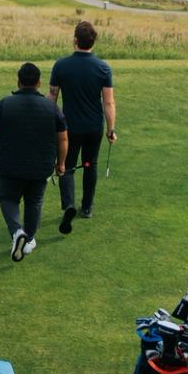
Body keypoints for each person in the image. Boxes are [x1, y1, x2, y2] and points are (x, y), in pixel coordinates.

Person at [0, 62, 68, 262]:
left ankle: (16, 232)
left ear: (18, 82)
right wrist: (61, 163)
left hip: (10, 166)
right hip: (41, 167)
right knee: (34, 201)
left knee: (8, 199)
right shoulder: (52, 107)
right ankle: (28, 239)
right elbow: (63, 139)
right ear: (39, 83)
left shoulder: (5, 104)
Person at [49, 19, 116, 235]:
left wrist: (48, 123)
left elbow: (52, 96)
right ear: (92, 42)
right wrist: (111, 129)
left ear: (75, 40)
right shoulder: (103, 68)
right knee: (89, 164)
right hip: (93, 128)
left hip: (68, 128)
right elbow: (108, 103)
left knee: (66, 165)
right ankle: (86, 207)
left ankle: (69, 204)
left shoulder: (61, 66)